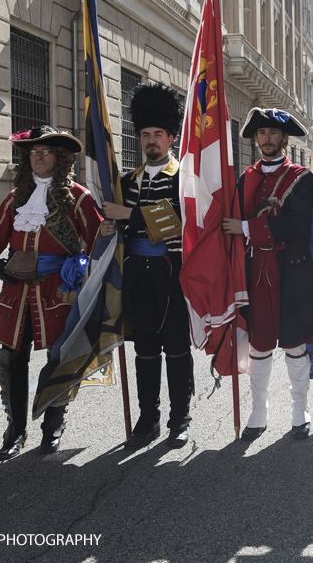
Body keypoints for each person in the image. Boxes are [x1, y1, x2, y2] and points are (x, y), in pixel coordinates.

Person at [0, 126, 102, 458]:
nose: (38, 158)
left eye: (46, 152)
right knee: (11, 359)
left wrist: (85, 269)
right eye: (33, 153)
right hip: (17, 290)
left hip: (59, 289)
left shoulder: (78, 197)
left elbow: (99, 242)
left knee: (59, 359)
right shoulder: (16, 198)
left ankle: (52, 426)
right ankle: (15, 430)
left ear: (59, 157)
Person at [221, 108, 313, 440]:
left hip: (291, 272)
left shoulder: (301, 177)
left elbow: (295, 226)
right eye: (262, 133)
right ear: (256, 139)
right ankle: (259, 410)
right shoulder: (245, 177)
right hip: (255, 272)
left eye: (274, 133)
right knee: (259, 344)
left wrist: (244, 227)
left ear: (285, 139)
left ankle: (300, 410)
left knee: (295, 345)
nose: (267, 139)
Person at [100, 82, 193, 449]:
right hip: (137, 278)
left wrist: (129, 215)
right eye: (145, 134)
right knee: (145, 349)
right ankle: (148, 416)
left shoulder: (184, 178)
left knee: (176, 347)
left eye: (158, 134)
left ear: (171, 138)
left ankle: (180, 416)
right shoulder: (126, 181)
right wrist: (110, 225)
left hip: (172, 277)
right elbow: (118, 226)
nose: (151, 141)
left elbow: (178, 224)